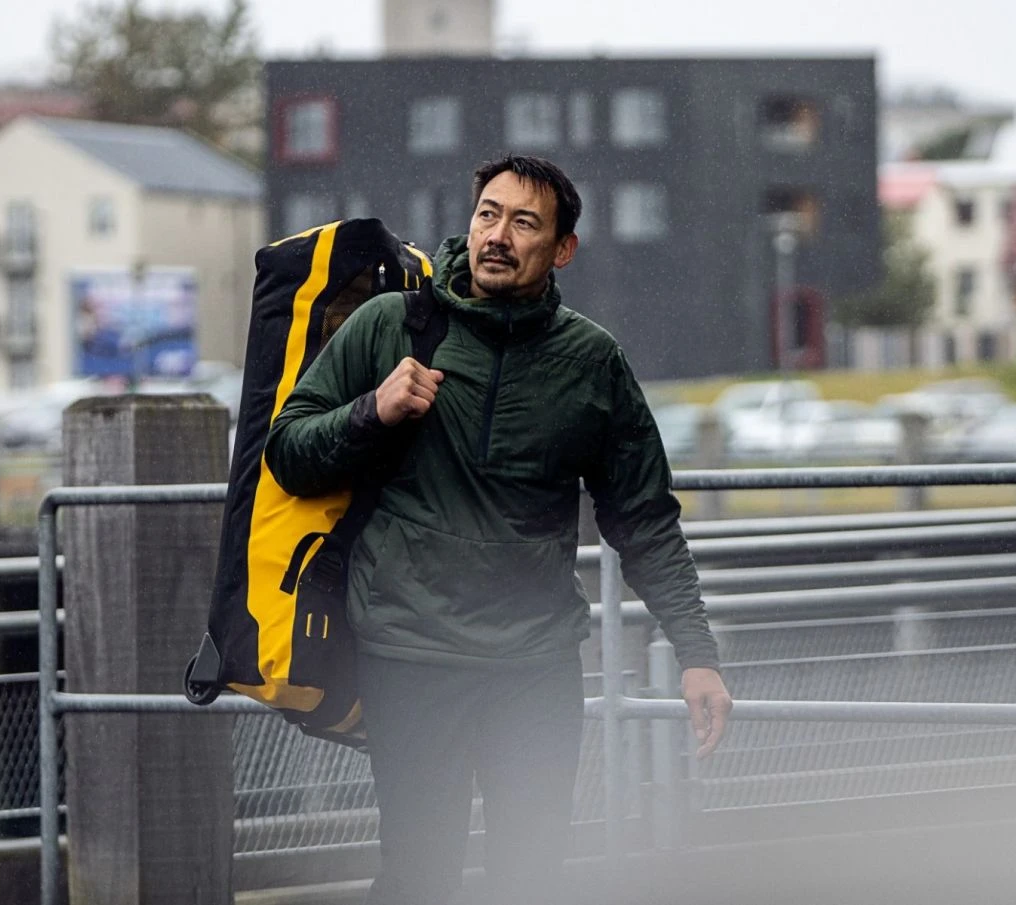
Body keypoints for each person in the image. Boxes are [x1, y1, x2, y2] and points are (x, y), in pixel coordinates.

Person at [265, 155, 731, 905]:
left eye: (524, 222)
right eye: (488, 213)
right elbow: (287, 452)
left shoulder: (592, 362)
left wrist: (696, 653)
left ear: (563, 248)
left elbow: (644, 520)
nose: (498, 236)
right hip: (410, 654)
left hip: (535, 665)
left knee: (533, 877)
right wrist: (370, 411)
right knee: (418, 878)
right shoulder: (393, 325)